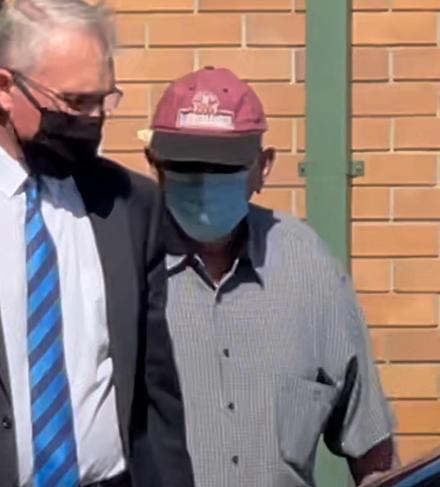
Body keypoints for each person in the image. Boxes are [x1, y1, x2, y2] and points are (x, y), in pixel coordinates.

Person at [140, 66, 397, 487]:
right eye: (186, 165)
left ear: (263, 166)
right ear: (155, 165)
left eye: (223, 166)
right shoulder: (125, 265)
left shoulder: (305, 264)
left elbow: (370, 447)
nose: (204, 183)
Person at [0, 1, 194, 486]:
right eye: (74, 102)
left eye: (103, 100)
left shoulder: (131, 205)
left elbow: (155, 394)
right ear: (5, 88)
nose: (92, 119)